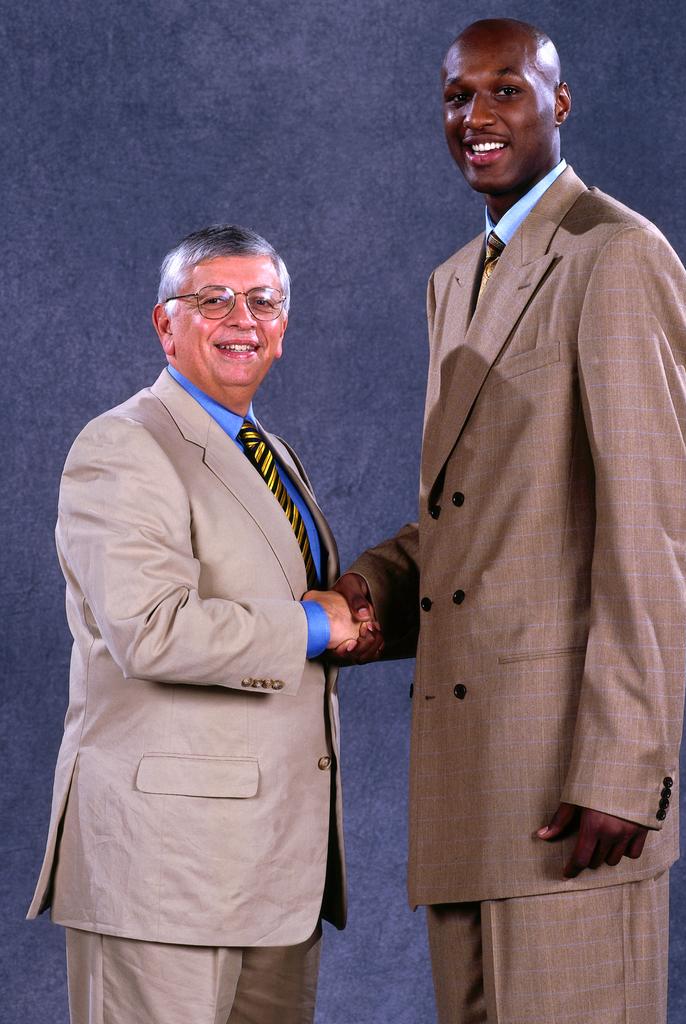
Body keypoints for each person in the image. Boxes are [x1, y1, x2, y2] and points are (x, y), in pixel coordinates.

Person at [333, 18, 686, 1024]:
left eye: (507, 91)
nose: (477, 117)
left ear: (559, 105)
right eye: (458, 96)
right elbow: (479, 517)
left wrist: (627, 762)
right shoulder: (456, 280)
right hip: (469, 784)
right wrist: (373, 587)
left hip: (575, 790)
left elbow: (646, 527)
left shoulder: (614, 255)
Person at [27, 224, 377, 1024]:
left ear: (283, 328)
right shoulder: (123, 445)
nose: (241, 319)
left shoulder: (271, 452)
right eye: (212, 299)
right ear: (166, 324)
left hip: (273, 866)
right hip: (164, 869)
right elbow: (152, 629)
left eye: (263, 301)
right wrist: (317, 629)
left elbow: (291, 613)